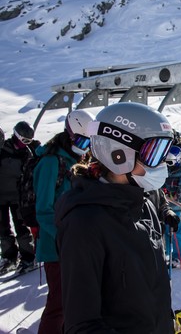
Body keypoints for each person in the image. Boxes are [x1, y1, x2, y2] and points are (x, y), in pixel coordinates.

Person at [55, 102, 175, 333]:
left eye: (164, 152)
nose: (162, 163)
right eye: (154, 152)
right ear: (117, 154)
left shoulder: (145, 205)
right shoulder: (84, 223)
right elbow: (82, 324)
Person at [34, 109, 94, 334]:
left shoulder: (78, 160)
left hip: (76, 243)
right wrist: (65, 235)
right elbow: (43, 210)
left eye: (89, 142)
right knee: (59, 304)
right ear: (69, 136)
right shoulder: (51, 162)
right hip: (57, 247)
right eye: (80, 140)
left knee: (74, 303)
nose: (85, 146)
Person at [0, 121, 39, 274]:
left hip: (18, 197)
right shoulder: (3, 149)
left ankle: (28, 256)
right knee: (3, 228)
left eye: (28, 142)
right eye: (24, 141)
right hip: (2, 196)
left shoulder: (27, 153)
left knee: (21, 227)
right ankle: (9, 257)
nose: (26, 144)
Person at [162, 145, 181, 267]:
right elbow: (161, 182)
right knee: (165, 232)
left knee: (175, 232)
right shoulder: (166, 170)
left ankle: (180, 257)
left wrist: (176, 196)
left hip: (177, 208)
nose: (168, 165)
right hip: (166, 206)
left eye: (171, 162)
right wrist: (163, 192)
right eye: (167, 162)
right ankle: (166, 255)